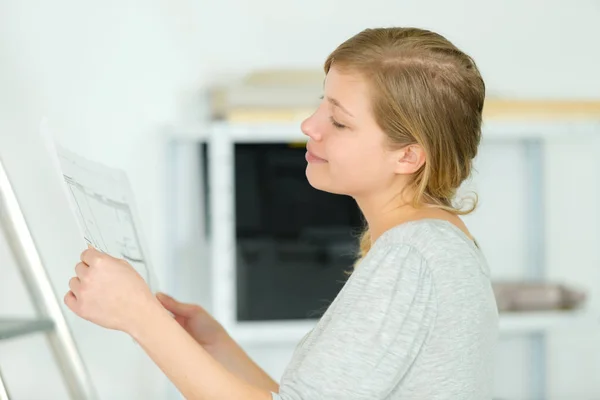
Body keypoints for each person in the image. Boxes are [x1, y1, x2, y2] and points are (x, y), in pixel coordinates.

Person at [64, 27, 499, 400]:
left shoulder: (411, 258)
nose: (310, 126)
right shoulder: (435, 245)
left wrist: (138, 317)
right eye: (321, 105)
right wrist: (216, 348)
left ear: (408, 156)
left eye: (340, 121)